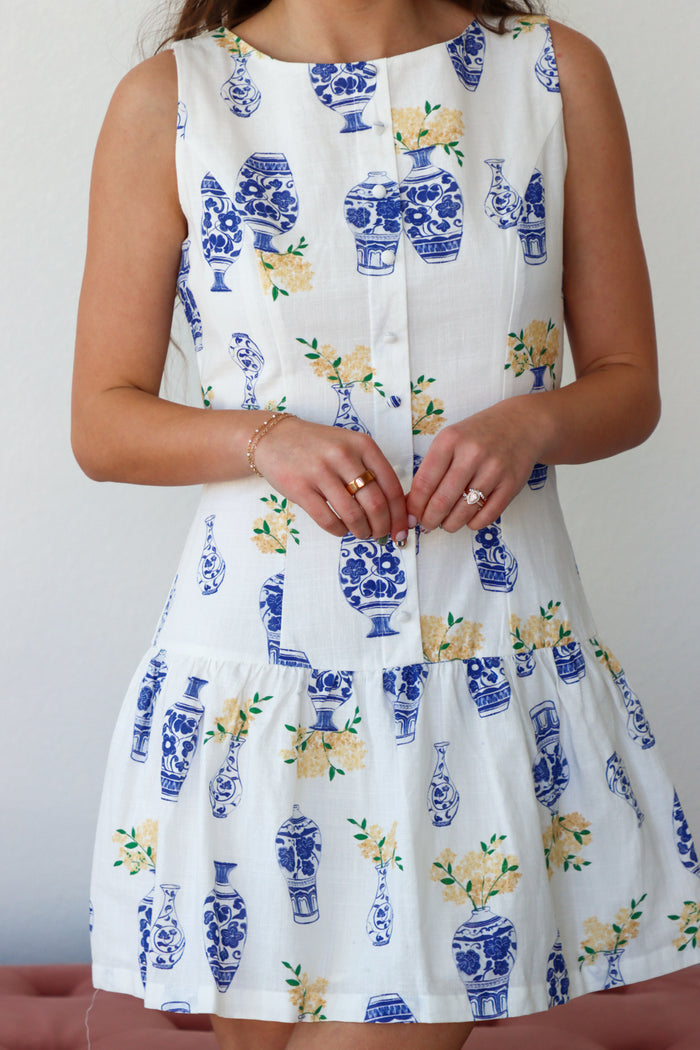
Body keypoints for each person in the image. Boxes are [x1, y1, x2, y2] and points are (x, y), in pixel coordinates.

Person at [72, 2, 700, 1049]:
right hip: (254, 679)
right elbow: (104, 419)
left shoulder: (551, 74)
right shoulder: (169, 98)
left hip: (479, 661)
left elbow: (628, 388)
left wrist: (532, 420)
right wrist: (262, 439)